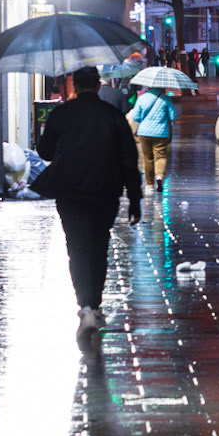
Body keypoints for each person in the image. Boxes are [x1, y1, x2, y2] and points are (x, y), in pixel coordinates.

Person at [35, 66, 142, 335]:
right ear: (97, 86)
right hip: (106, 192)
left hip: (70, 192)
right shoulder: (114, 116)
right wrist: (135, 199)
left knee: (78, 248)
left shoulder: (61, 113)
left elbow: (45, 151)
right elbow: (129, 160)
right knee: (98, 246)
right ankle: (95, 304)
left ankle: (85, 307)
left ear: (74, 86)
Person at [128, 83, 177, 193]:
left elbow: (135, 116)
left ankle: (149, 185)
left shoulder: (142, 98)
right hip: (161, 133)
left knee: (148, 158)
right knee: (160, 156)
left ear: (148, 86)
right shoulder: (165, 98)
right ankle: (159, 176)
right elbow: (173, 116)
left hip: (144, 132)